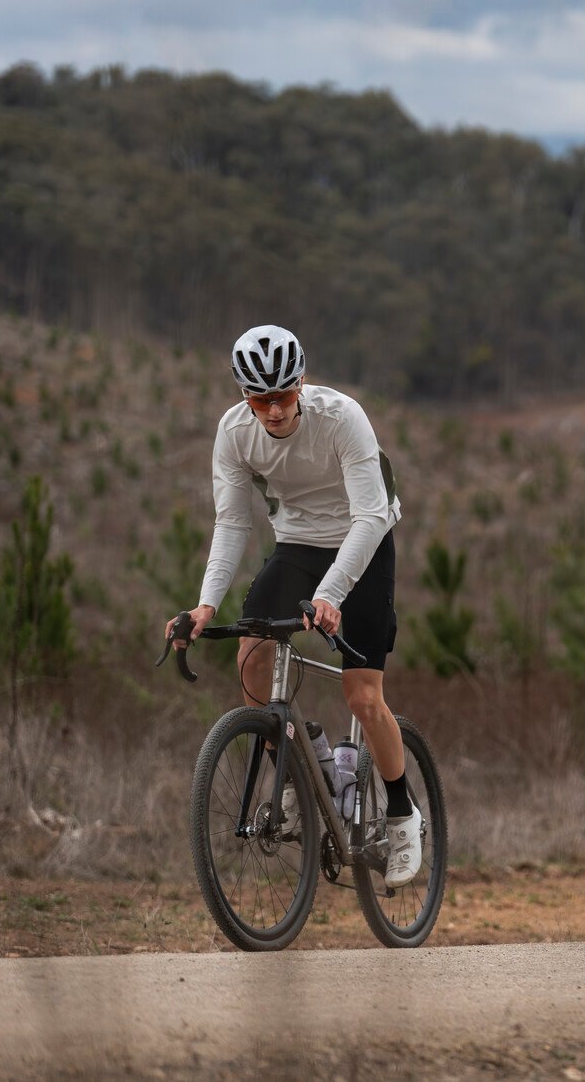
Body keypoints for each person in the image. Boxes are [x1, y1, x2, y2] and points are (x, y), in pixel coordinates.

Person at [165, 324, 422, 888]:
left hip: (364, 541)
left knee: (362, 694)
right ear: (244, 396)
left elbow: (372, 516)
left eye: (283, 395)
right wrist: (206, 605)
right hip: (298, 546)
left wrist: (331, 596)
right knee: (251, 657)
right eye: (260, 399)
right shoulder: (234, 435)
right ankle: (297, 755)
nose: (274, 410)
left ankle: (403, 813)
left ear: (301, 383)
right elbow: (232, 521)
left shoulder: (342, 418)